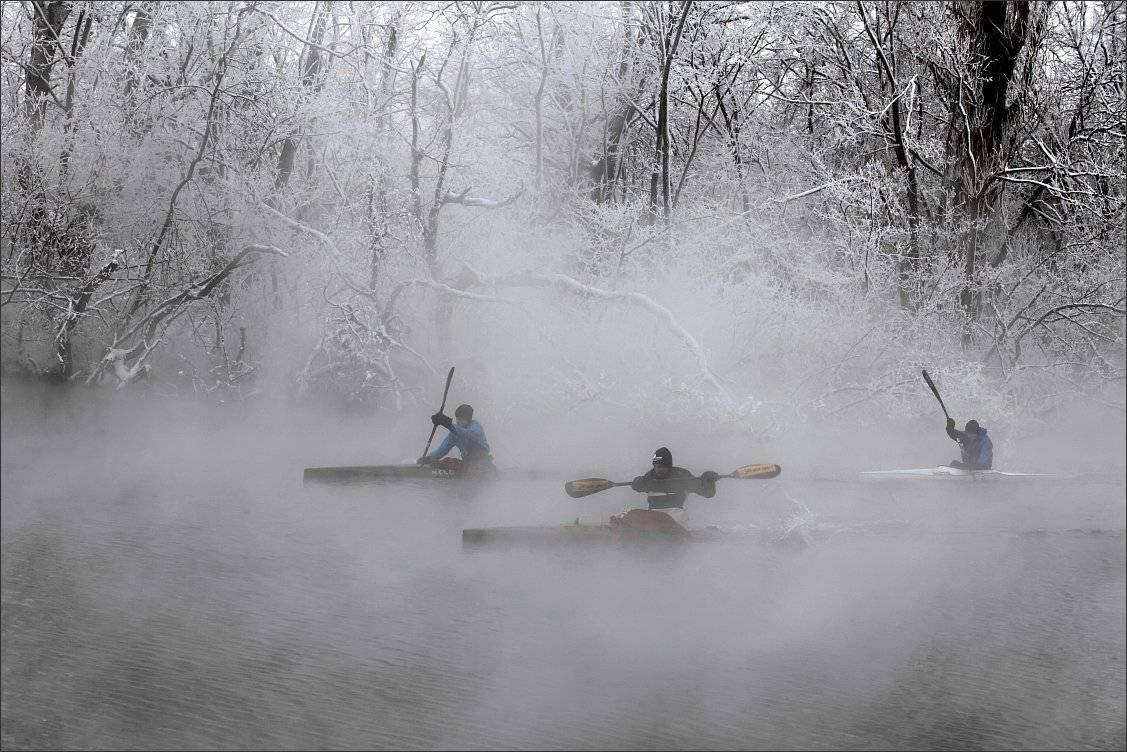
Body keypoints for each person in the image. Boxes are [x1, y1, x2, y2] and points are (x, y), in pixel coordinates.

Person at [618, 447, 718, 531]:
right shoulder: (650, 476)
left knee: (670, 520)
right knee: (630, 514)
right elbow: (638, 486)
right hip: (653, 515)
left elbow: (707, 493)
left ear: (669, 465)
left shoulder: (682, 475)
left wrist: (709, 481)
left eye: (661, 466)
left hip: (675, 514)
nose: (658, 469)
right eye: (655, 466)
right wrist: (637, 482)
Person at [418, 404, 495, 472]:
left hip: (483, 462)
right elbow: (442, 450)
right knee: (446, 461)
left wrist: (447, 423)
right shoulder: (454, 433)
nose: (458, 422)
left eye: (461, 419)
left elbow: (467, 433)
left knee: (474, 469)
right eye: (457, 419)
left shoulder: (476, 426)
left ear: (468, 420)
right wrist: (428, 458)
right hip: (468, 464)